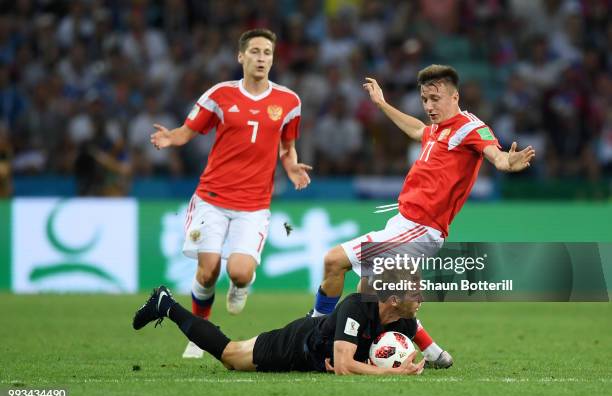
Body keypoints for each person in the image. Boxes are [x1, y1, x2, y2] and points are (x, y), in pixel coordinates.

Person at [310, 64, 536, 367]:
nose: (429, 106)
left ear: (454, 96)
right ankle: (434, 353)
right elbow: (418, 130)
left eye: (435, 98)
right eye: (424, 100)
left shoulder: (470, 127)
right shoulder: (438, 129)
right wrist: (381, 103)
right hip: (405, 223)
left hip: (419, 227)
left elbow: (494, 153)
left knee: (333, 261)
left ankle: (312, 334)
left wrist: (507, 161)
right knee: (369, 295)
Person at [149, 28, 312, 358]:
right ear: (241, 56)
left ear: (273, 58)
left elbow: (287, 147)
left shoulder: (288, 102)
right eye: (254, 51)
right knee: (208, 270)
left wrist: (291, 166)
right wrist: (172, 139)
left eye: (267, 52)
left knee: (239, 272)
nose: (261, 58)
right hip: (212, 199)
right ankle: (199, 334)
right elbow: (187, 130)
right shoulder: (220, 95)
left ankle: (241, 286)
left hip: (253, 205)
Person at [132, 269, 426, 375]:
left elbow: (359, 361)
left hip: (318, 356)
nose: (422, 296)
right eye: (415, 291)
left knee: (233, 354)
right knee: (231, 356)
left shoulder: (406, 324)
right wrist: (392, 374)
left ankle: (167, 305)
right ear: (393, 299)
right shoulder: (355, 307)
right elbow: (345, 368)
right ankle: (166, 304)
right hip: (300, 343)